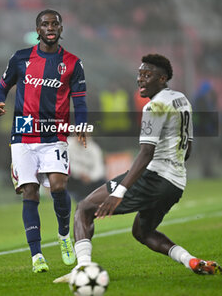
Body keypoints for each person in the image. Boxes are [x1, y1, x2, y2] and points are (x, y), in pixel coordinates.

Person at [54, 54, 221, 283]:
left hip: (154, 177)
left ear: (162, 78)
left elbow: (146, 153)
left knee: (84, 208)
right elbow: (188, 149)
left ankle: (83, 269)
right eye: (140, 74)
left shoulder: (155, 106)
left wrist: (119, 192)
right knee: (142, 232)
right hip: (176, 183)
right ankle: (190, 260)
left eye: (147, 75)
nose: (140, 79)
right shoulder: (181, 99)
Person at [0, 9, 87, 273]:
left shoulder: (72, 63)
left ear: (60, 27)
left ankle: (64, 235)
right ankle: (37, 256)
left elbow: (79, 99)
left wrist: (81, 124)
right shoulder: (21, 58)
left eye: (54, 23)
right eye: (45, 24)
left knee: (58, 186)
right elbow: (2, 86)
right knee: (30, 191)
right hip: (23, 135)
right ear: (38, 29)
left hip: (55, 134)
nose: (50, 27)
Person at [67, 135, 107, 202]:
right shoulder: (67, 145)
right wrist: (80, 173)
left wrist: (90, 177)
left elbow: (99, 168)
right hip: (74, 178)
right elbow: (68, 164)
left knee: (103, 183)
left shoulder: (94, 147)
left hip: (90, 179)